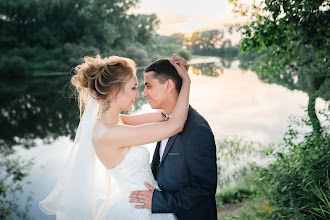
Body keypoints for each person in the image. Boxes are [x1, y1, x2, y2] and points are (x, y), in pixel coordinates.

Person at [39, 54, 190, 220]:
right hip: (139, 209)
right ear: (113, 90)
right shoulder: (111, 134)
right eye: (133, 88)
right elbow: (175, 126)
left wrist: (173, 85)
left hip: (143, 201)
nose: (138, 95)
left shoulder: (111, 122)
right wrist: (186, 82)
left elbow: (162, 116)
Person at [129, 58, 218, 220]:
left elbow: (205, 188)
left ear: (169, 86)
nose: (144, 94)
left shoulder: (197, 129)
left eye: (148, 86)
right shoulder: (166, 120)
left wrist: (159, 201)